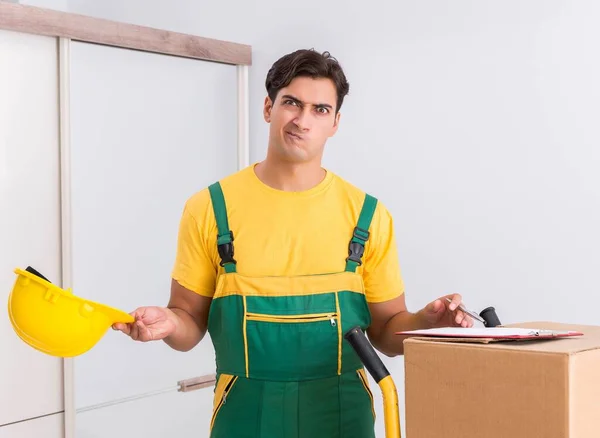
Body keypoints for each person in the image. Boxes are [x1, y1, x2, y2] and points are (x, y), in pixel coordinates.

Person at [113, 48, 474, 438]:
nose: (302, 120)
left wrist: (426, 323)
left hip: (342, 416)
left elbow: (386, 334)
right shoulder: (210, 209)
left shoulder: (367, 217)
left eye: (320, 109)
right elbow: (189, 324)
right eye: (291, 103)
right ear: (268, 107)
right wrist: (169, 323)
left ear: (335, 122)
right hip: (244, 417)